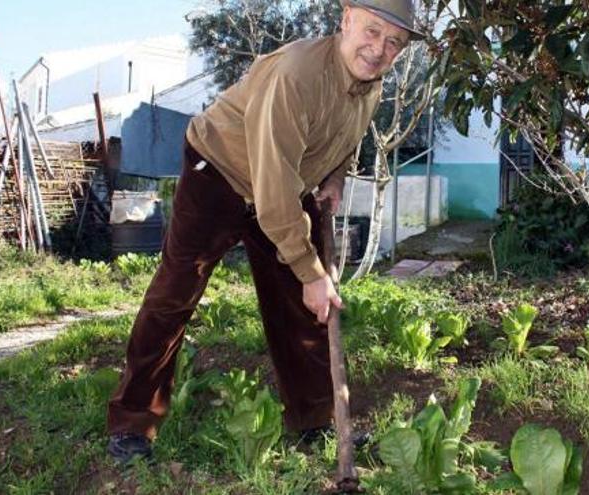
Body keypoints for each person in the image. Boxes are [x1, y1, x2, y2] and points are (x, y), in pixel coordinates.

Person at [106, 0, 423, 465]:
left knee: (302, 308)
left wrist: (336, 175)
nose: (378, 49)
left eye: (393, 42)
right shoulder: (296, 75)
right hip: (219, 170)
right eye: (372, 31)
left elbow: (344, 135)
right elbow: (272, 188)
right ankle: (132, 423)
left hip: (282, 184)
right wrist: (310, 270)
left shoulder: (370, 86)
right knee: (175, 294)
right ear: (346, 19)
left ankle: (315, 421)